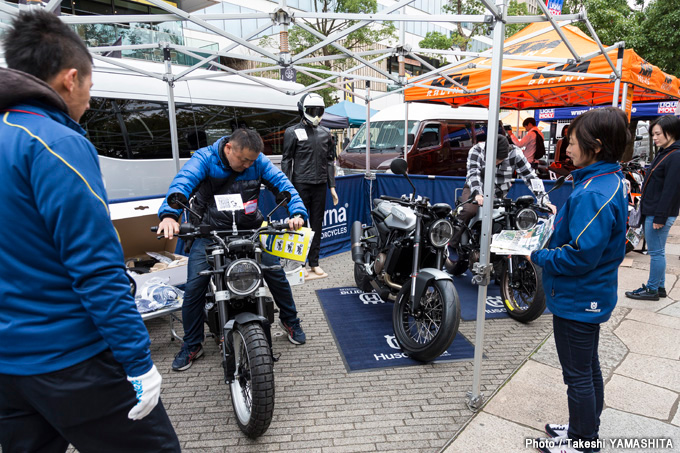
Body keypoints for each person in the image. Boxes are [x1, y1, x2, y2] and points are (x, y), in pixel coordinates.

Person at [0, 10, 180, 452]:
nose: (88, 101)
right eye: (90, 88)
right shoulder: (54, 141)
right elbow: (96, 269)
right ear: (70, 78)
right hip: (70, 358)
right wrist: (138, 361)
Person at [158, 128, 309, 371]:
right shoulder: (205, 159)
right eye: (243, 160)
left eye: (252, 160)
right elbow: (182, 183)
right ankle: (192, 344)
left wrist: (298, 213)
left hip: (250, 228)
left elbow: (283, 185)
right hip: (210, 231)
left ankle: (290, 321)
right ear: (229, 148)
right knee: (195, 286)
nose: (248, 164)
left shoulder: (258, 161)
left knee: (274, 272)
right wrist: (169, 216)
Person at [529, 107, 629, 453]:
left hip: (579, 296)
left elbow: (580, 255)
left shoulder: (592, 192)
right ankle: (582, 425)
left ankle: (584, 441)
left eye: (571, 142)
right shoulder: (606, 179)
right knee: (587, 367)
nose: (565, 149)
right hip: (590, 294)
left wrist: (537, 255)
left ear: (596, 145)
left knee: (578, 375)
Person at [445, 134, 553, 271]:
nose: (496, 162)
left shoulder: (515, 153)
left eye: (500, 160)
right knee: (469, 210)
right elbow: (473, 173)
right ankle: (452, 244)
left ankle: (501, 261)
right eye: (495, 159)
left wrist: (544, 199)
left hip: (500, 194)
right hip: (475, 189)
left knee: (513, 215)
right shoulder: (477, 150)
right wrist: (478, 193)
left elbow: (530, 176)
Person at [282, 93, 339, 277]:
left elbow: (330, 160)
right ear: (303, 110)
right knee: (299, 225)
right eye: (312, 111)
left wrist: (332, 186)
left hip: (320, 185)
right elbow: (286, 160)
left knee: (317, 224)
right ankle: (301, 263)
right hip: (300, 184)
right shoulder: (292, 132)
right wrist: (287, 188)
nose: (315, 115)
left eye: (319, 111)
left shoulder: (326, 133)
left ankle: (314, 262)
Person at [625, 115, 680, 301]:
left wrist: (660, 217)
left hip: (658, 213)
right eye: (653, 134)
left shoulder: (675, 155)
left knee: (656, 253)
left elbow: (671, 190)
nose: (654, 138)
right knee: (658, 251)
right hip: (655, 211)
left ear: (670, 132)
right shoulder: (666, 152)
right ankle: (660, 287)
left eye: (658, 134)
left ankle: (652, 289)